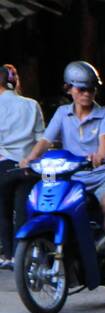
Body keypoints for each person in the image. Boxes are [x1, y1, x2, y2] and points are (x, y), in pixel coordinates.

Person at [22, 61, 105, 276]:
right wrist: (29, 159)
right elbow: (45, 140)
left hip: (101, 174)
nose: (86, 94)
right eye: (81, 89)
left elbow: (104, 139)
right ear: (69, 89)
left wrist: (100, 154)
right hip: (72, 176)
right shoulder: (62, 113)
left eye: (91, 89)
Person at [0, 63, 43, 269]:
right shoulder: (32, 104)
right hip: (29, 166)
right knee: (23, 211)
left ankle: (7, 256)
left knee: (3, 212)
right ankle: (21, 255)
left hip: (4, 166)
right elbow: (41, 139)